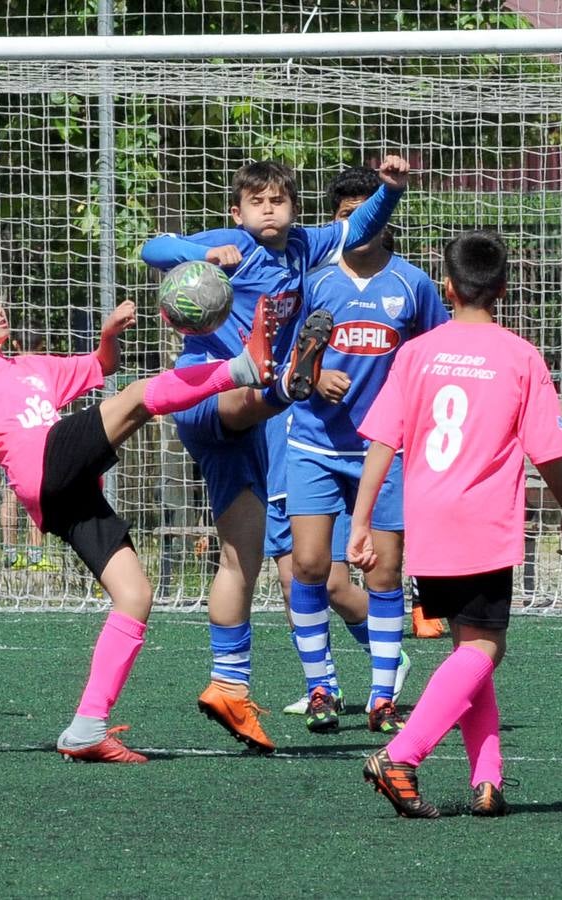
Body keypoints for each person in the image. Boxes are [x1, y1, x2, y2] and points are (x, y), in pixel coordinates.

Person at [0, 274, 278, 763]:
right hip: (45, 465)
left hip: (63, 492)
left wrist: (108, 334)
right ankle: (242, 368)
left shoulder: (32, 366)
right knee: (135, 398)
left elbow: (99, 366)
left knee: (135, 596)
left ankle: (86, 728)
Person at [140, 154, 410, 753]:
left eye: (278, 200)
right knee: (261, 392)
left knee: (243, 560)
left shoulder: (307, 246)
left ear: (293, 209)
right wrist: (201, 255)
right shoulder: (232, 243)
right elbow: (153, 249)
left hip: (245, 431)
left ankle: (229, 685)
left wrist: (389, 190)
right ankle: (286, 383)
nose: (268, 209)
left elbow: (359, 228)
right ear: (238, 212)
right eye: (256, 202)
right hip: (205, 390)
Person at [349, 230, 562, 818]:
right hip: (482, 522)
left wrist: (360, 519)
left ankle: (488, 780)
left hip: (426, 519)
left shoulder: (417, 352)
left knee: (468, 647)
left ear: (445, 287)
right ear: (502, 289)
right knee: (484, 649)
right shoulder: (520, 354)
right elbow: (546, 451)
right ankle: (402, 754)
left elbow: (383, 440)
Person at [286, 166, 449, 736]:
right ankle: (321, 688)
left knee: (384, 572)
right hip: (313, 443)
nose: (354, 225)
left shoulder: (412, 285)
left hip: (387, 454)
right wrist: (314, 369)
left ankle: (383, 696)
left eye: (365, 213)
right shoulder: (311, 278)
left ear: (384, 221)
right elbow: (277, 353)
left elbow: (435, 358)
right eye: (343, 215)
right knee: (308, 566)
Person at [263, 410, 390, 719]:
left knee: (333, 584)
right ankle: (324, 688)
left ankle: (389, 656)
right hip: (275, 473)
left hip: (319, 463)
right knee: (291, 582)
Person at [0, 332, 55, 571]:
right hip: (40, 438)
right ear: (42, 344)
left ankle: (11, 555)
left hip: (12, 439)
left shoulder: (5, 370)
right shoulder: (44, 369)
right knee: (37, 495)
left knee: (11, 495)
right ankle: (35, 555)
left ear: (15, 343)